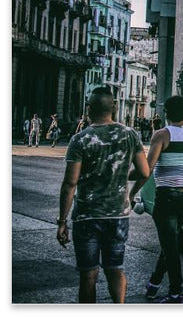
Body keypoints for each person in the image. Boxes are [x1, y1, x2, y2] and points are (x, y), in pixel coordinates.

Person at [57, 87, 149, 303]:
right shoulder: (129, 135)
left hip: (87, 216)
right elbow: (144, 172)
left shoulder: (80, 139)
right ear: (114, 108)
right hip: (117, 215)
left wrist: (62, 221)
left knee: (88, 275)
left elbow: (70, 183)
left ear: (88, 109)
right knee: (115, 269)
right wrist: (122, 174)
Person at [130, 95, 183, 304]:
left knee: (171, 248)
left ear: (166, 113)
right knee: (170, 244)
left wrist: (130, 190)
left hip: (167, 198)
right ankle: (153, 284)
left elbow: (147, 170)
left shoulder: (161, 135)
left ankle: (177, 294)